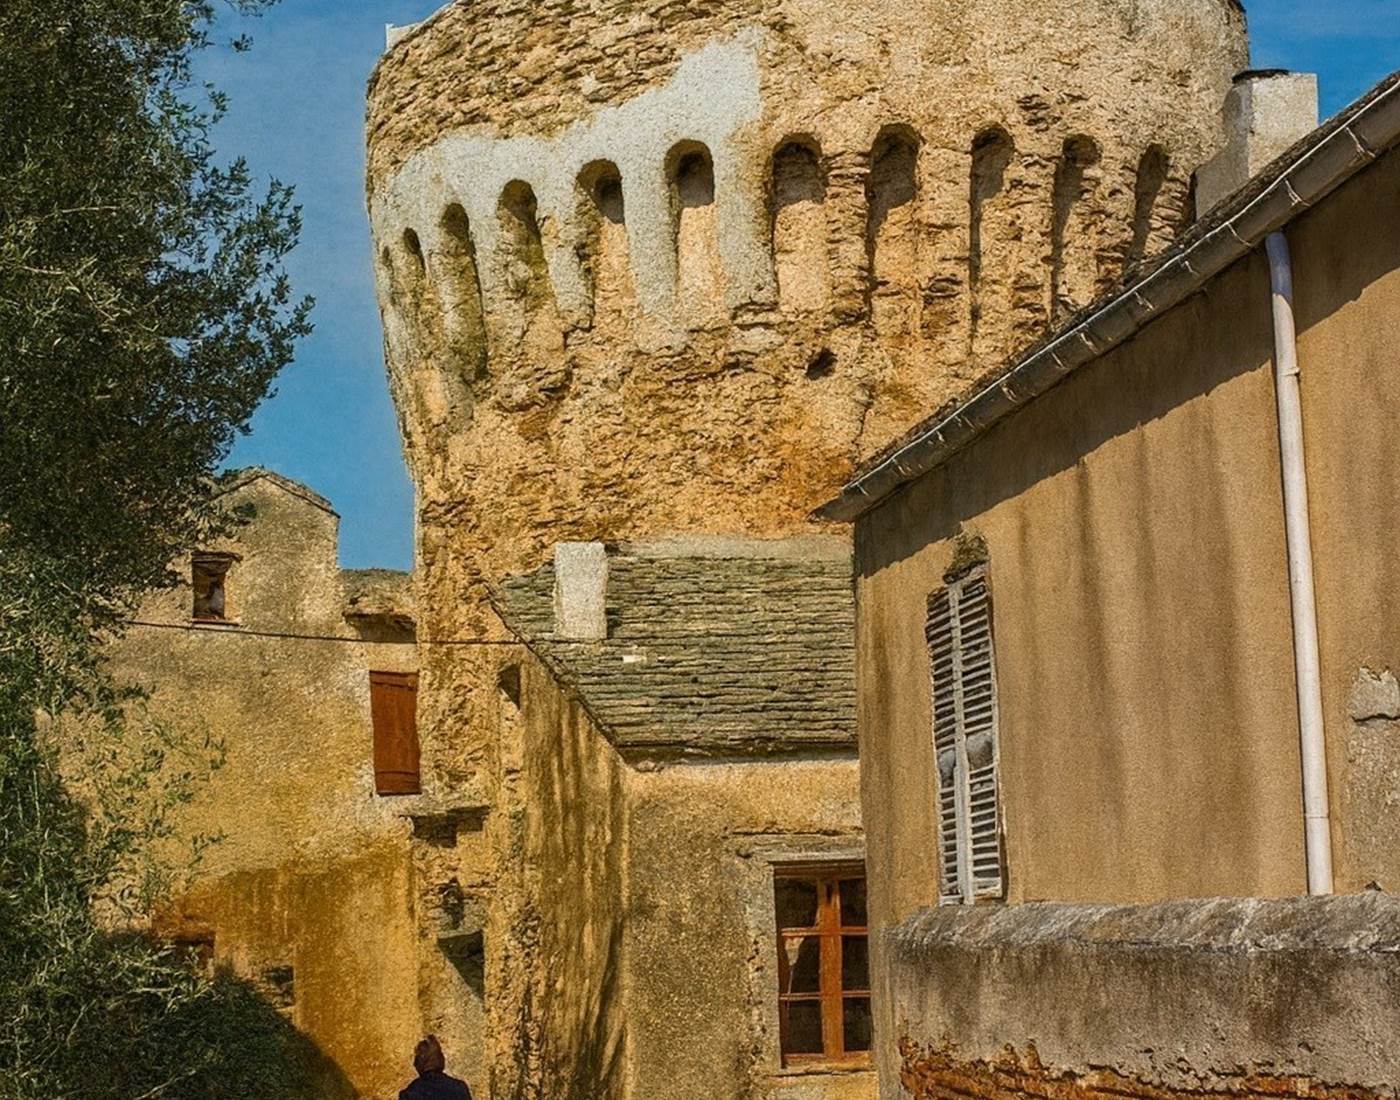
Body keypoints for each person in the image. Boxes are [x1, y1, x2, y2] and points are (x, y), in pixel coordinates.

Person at [399, 1036, 472, 1100]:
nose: (414, 1063)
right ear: (441, 1060)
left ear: (422, 1060)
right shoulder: (459, 1088)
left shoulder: (411, 1093)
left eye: (416, 1058)